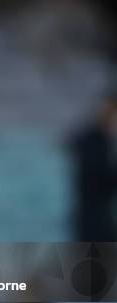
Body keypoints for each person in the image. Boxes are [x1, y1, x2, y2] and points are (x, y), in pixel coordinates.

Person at [70, 92, 117, 241]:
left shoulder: (99, 141)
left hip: (99, 218)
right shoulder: (92, 143)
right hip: (94, 220)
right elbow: (100, 179)